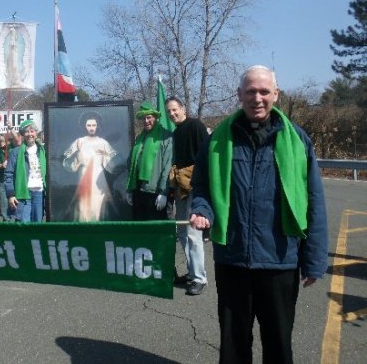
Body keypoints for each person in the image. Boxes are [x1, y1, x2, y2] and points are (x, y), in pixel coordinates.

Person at [189, 65, 328, 364]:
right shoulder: (216, 142)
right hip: (232, 259)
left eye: (264, 91)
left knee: (278, 344)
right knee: (234, 343)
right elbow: (201, 186)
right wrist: (202, 210)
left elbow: (314, 201)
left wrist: (314, 260)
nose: (257, 97)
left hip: (279, 261)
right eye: (250, 91)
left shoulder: (298, 141)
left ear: (276, 94)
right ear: (239, 95)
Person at [166, 97, 209, 296]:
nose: (172, 114)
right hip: (181, 187)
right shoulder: (176, 132)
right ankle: (192, 273)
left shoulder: (195, 125)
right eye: (169, 111)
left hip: (195, 186)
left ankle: (199, 278)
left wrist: (202, 183)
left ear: (183, 108)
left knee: (193, 233)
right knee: (182, 232)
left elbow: (207, 155)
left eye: (175, 109)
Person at [62, 111, 119, 222]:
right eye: (89, 125)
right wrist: (77, 152)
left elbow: (115, 163)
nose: (91, 128)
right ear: (85, 126)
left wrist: (105, 154)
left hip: (99, 180)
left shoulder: (103, 142)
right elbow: (67, 164)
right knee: (83, 207)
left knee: (98, 207)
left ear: (97, 126)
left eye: (94, 125)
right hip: (83, 179)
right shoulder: (79, 141)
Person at [126, 101, 173, 221]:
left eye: (149, 117)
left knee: (156, 230)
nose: (146, 121)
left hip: (155, 192)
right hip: (138, 191)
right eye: (143, 118)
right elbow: (131, 163)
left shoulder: (166, 137)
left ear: (156, 117)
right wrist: (130, 189)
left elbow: (167, 166)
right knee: (141, 230)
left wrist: (163, 192)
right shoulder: (140, 138)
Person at [4, 120, 46, 223]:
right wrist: (10, 195)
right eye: (26, 132)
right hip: (23, 195)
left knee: (37, 224)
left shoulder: (43, 150)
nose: (29, 134)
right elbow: (8, 174)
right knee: (23, 225)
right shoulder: (16, 152)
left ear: (36, 133)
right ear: (22, 134)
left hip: (39, 194)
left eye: (32, 131)